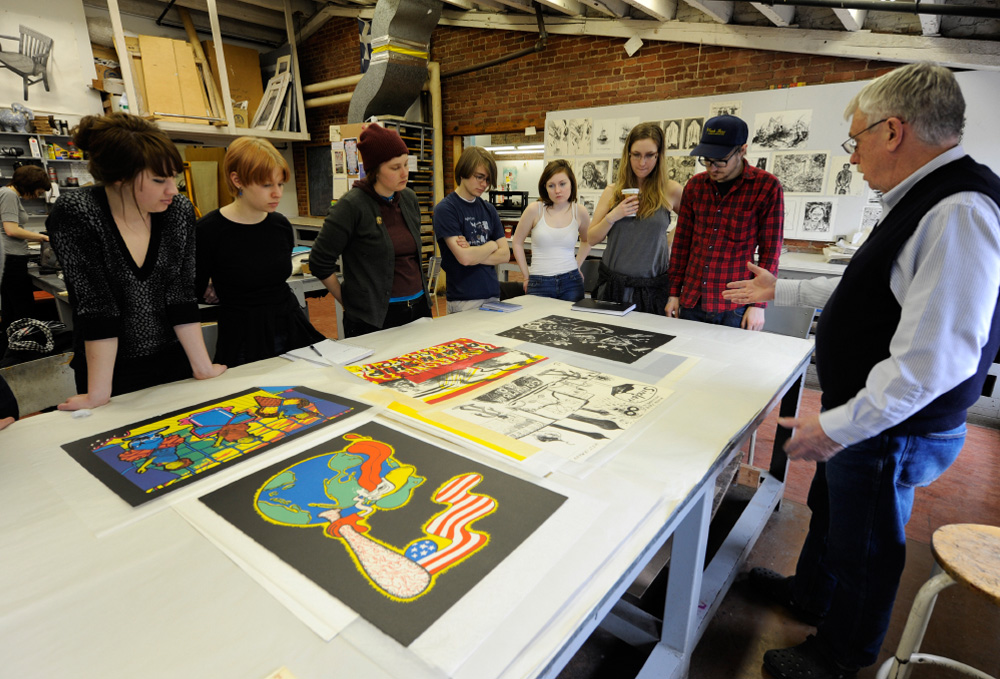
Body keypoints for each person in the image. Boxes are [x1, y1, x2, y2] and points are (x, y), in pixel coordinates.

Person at [723, 62, 1000, 679]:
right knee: (833, 514)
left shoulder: (957, 210)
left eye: (856, 140)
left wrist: (841, 425)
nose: (852, 157)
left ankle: (841, 655)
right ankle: (810, 595)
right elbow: (873, 295)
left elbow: (937, 358)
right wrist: (781, 290)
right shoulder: (923, 201)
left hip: (892, 426)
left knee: (867, 545)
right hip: (869, 415)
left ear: (892, 131)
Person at [46, 113, 225, 410]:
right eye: (159, 180)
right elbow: (96, 306)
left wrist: (202, 367)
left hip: (172, 358)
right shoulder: (78, 211)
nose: (172, 189)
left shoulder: (177, 210)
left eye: (174, 178)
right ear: (120, 177)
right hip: (108, 370)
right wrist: (98, 395)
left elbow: (180, 294)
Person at [196, 136, 324, 367]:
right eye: (267, 185)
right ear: (237, 180)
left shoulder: (280, 225)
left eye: (280, 184)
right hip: (243, 338)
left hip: (291, 328)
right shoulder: (208, 230)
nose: (277, 193)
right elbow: (193, 290)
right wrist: (214, 285)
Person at [310, 123, 431, 337]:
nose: (405, 173)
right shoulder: (351, 206)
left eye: (406, 164)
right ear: (374, 170)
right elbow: (319, 262)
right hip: (375, 319)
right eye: (395, 167)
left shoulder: (408, 199)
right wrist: (349, 302)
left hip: (418, 310)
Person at [665, 115, 783, 330]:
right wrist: (673, 293)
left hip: (735, 305)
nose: (712, 168)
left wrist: (758, 305)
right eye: (707, 160)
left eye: (720, 161)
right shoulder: (695, 186)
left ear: (742, 150)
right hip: (692, 300)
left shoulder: (766, 187)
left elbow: (771, 250)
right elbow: (682, 243)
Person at [587, 122, 679, 314]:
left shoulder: (670, 190)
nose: (642, 162)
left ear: (659, 155)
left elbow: (696, 221)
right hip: (613, 288)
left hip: (652, 290)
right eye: (636, 154)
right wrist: (613, 216)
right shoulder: (612, 191)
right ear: (628, 155)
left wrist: (669, 240)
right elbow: (592, 238)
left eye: (649, 155)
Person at [433, 146, 509, 313]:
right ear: (463, 172)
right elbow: (465, 258)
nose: (484, 184)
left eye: (487, 180)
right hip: (463, 300)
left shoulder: (489, 209)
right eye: (479, 177)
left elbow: (505, 255)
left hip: (493, 296)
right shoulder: (446, 209)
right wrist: (491, 245)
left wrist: (474, 253)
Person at [511, 160, 592, 302]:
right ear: (545, 187)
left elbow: (587, 240)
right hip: (539, 281)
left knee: (570, 317)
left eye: (562, 184)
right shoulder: (535, 209)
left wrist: (577, 264)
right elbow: (517, 242)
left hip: (571, 281)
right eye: (551, 185)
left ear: (571, 183)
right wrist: (526, 276)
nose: (557, 190)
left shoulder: (579, 211)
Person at [1, 165, 51, 352]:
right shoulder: (9, 195)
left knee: (11, 310)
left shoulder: (7, 193)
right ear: (30, 184)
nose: (37, 196)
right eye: (38, 191)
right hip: (11, 259)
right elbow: (11, 230)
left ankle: (12, 351)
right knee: (23, 311)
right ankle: (27, 352)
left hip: (9, 258)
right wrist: (43, 237)